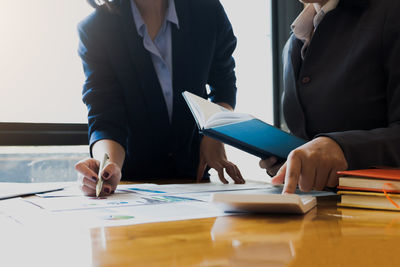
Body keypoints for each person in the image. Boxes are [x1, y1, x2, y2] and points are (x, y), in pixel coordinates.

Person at [75, 0, 245, 196]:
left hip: (194, 181)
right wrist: (107, 167)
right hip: (134, 184)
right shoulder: (97, 28)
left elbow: (223, 85)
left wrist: (214, 133)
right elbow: (105, 116)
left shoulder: (208, 10)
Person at [260, 0, 400, 193]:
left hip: (379, 210)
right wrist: (290, 160)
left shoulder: (391, 12)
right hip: (313, 209)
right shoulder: (296, 38)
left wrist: (342, 148)